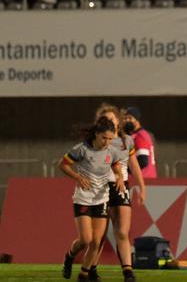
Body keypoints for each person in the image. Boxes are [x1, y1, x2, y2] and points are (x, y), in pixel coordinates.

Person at [58, 116, 117, 282]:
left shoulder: (111, 150)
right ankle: (69, 257)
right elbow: (62, 165)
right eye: (104, 138)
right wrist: (77, 177)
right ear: (96, 135)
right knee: (85, 240)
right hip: (83, 199)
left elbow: (116, 163)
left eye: (110, 139)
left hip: (101, 199)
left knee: (96, 242)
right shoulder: (82, 149)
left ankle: (83, 274)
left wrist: (118, 176)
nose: (107, 142)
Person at [99, 106, 146, 281]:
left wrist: (142, 187)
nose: (110, 122)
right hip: (101, 188)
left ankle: (128, 271)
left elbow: (134, 165)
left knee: (122, 232)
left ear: (118, 121)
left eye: (112, 119)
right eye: (105, 120)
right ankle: (90, 267)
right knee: (98, 235)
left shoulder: (126, 140)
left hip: (121, 187)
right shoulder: (97, 140)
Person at [122, 107, 156, 180]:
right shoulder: (137, 135)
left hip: (145, 178)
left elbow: (143, 161)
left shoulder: (140, 136)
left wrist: (126, 171)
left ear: (137, 120)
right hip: (147, 178)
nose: (127, 120)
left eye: (130, 118)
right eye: (125, 118)